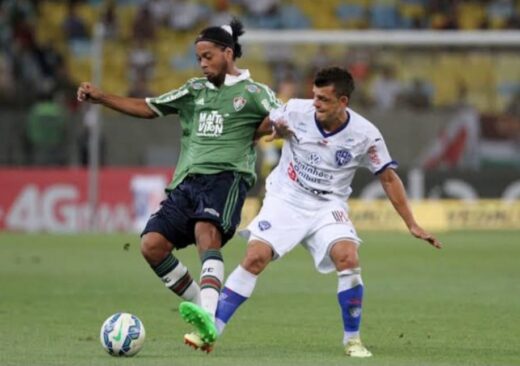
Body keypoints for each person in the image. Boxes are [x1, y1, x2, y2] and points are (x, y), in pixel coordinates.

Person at [184, 67, 442, 356]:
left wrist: (412, 223)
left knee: (348, 257)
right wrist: (272, 129)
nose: (315, 103)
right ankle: (211, 330)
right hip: (286, 197)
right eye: (314, 96)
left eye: (323, 99)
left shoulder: (365, 134)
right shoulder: (294, 110)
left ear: (343, 102)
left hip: (327, 206)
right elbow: (255, 129)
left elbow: (388, 178)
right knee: (255, 257)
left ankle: (352, 340)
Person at [76, 18, 280, 348]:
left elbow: (283, 118)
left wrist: (260, 129)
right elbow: (148, 107)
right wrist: (101, 97)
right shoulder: (193, 90)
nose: (202, 64)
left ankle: (209, 325)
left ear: (228, 53)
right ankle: (205, 307)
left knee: (205, 233)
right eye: (198, 57)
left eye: (208, 56)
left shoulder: (255, 93)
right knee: (151, 245)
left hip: (225, 179)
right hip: (186, 182)